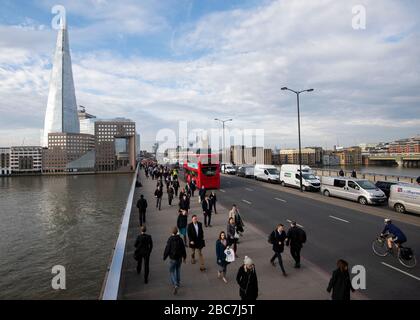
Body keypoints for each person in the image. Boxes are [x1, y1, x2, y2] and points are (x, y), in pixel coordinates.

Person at [163, 227, 187, 295]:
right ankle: (178, 282)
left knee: (171, 271)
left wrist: (165, 256)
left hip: (172, 258)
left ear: (172, 232)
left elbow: (167, 249)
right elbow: (183, 249)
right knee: (178, 269)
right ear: (177, 232)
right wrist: (184, 257)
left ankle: (175, 284)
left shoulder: (170, 239)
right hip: (179, 258)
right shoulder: (180, 239)